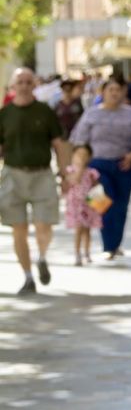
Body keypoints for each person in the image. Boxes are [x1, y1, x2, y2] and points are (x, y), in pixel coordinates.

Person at [0, 69, 70, 295]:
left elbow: (59, 144)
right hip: (13, 175)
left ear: (34, 85)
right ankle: (28, 276)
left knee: (44, 225)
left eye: (28, 81)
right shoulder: (5, 114)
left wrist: (64, 174)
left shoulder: (45, 111)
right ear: (13, 86)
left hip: (42, 174)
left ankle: (41, 257)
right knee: (18, 228)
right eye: (19, 81)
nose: (24, 85)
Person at [69, 76, 131, 260]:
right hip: (97, 166)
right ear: (103, 92)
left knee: (120, 205)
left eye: (117, 90)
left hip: (123, 164)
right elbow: (79, 140)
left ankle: (115, 244)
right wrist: (80, 166)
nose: (114, 93)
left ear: (123, 92)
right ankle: (107, 244)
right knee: (101, 203)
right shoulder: (91, 114)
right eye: (110, 89)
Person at [62, 143, 101, 266]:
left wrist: (98, 203)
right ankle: (77, 254)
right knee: (78, 229)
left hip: (88, 205)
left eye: (85, 155)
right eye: (79, 154)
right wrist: (79, 169)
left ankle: (87, 252)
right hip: (75, 205)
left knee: (87, 230)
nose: (82, 157)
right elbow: (73, 181)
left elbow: (96, 187)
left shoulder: (92, 172)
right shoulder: (70, 170)